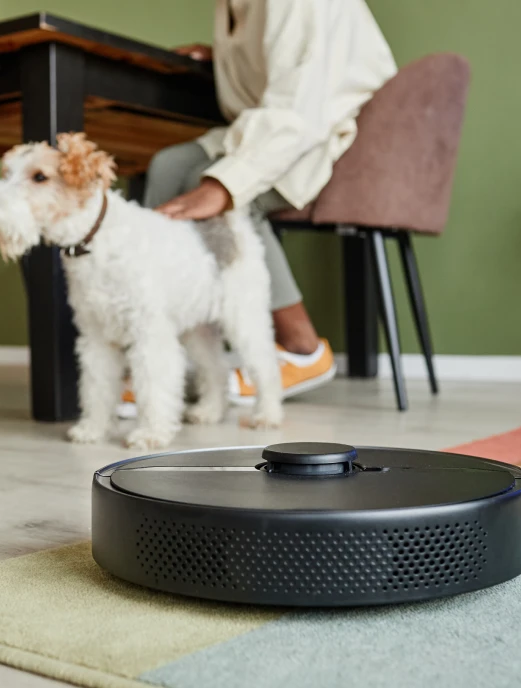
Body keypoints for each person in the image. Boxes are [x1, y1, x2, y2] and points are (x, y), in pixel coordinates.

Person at [146, 0, 398, 405]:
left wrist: (224, 186)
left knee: (214, 188)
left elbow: (298, 106)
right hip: (273, 122)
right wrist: (224, 57)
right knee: (167, 166)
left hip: (322, 128)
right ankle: (166, 353)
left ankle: (303, 347)